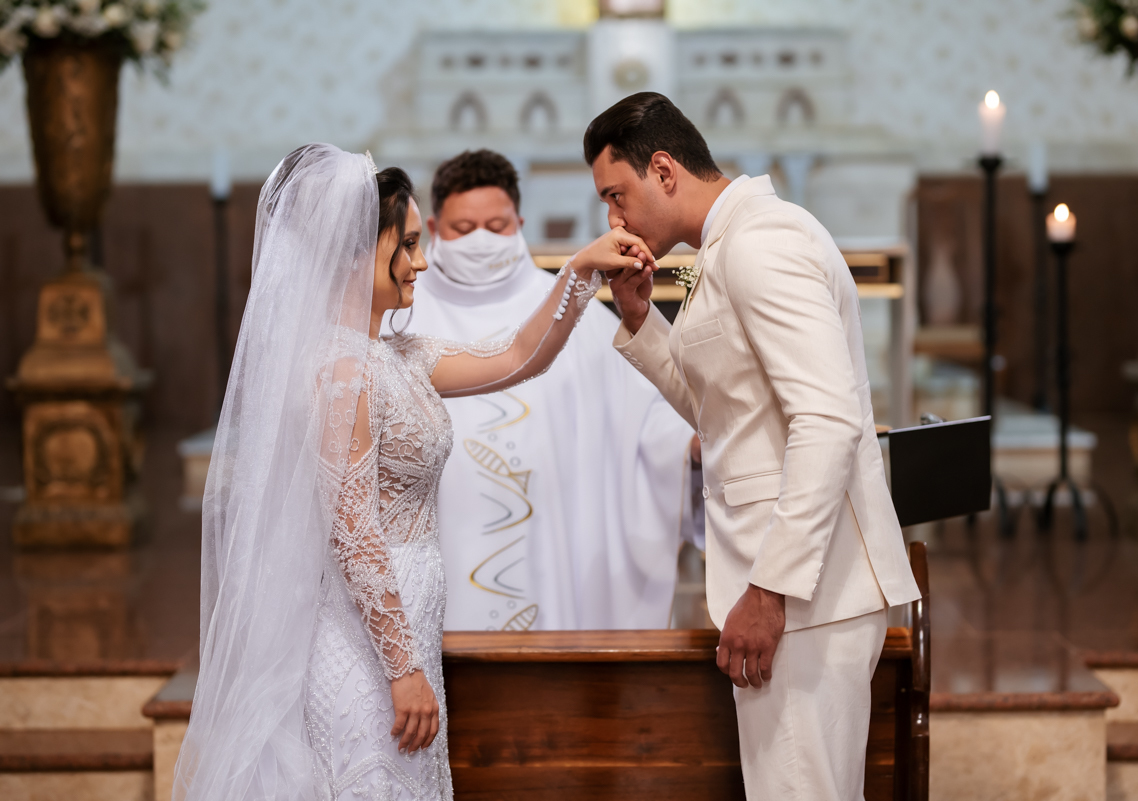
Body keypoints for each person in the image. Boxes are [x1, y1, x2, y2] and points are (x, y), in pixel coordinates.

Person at [174, 144, 656, 800]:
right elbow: (354, 531)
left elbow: (518, 355)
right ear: (353, 254)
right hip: (363, 646)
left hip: (409, 628)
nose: (422, 261)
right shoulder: (339, 373)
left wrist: (580, 271)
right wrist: (403, 670)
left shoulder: (397, 355)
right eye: (405, 245)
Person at [590, 94, 922, 799]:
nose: (613, 220)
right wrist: (642, 320)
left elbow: (827, 419)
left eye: (617, 196)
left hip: (808, 595)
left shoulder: (762, 241)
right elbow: (725, 417)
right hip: (799, 592)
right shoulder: (728, 244)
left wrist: (769, 591)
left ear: (664, 168)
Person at [383, 150, 698, 631]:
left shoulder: (586, 320)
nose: (482, 240)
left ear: (520, 222)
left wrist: (687, 446)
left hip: (553, 550)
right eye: (464, 229)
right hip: (434, 557)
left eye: (497, 225)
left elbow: (646, 422)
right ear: (432, 226)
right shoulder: (400, 320)